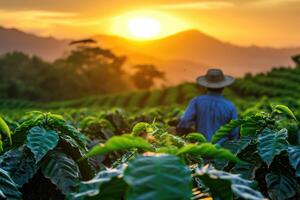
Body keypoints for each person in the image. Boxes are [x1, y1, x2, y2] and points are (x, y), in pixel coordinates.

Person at [177, 68, 239, 144]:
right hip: (221, 150)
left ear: (206, 86)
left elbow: (185, 121)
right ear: (223, 86)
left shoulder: (197, 101)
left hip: (201, 148)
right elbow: (234, 132)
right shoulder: (230, 106)